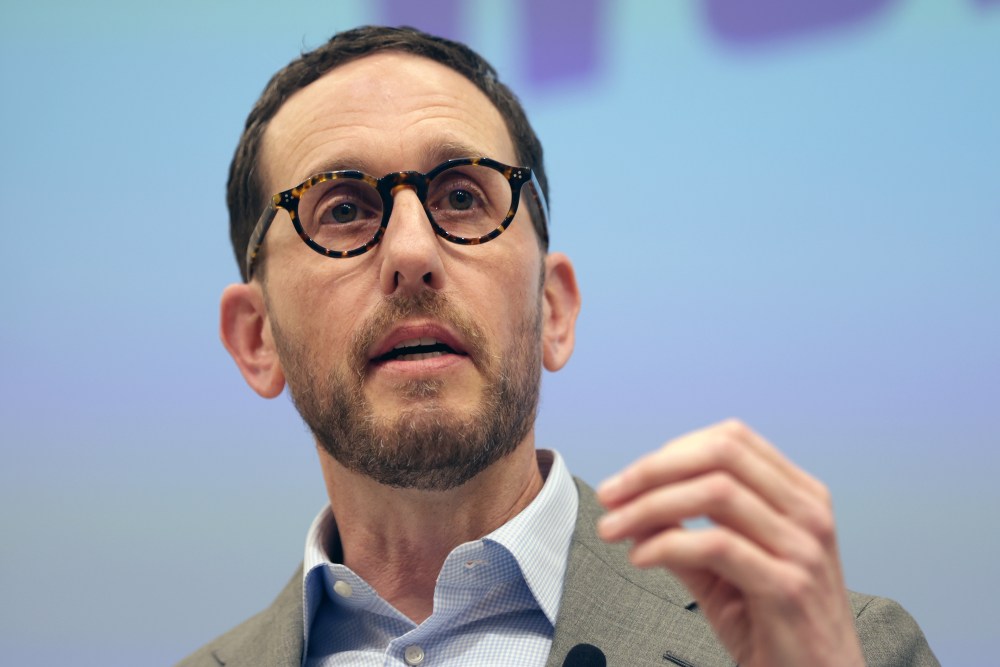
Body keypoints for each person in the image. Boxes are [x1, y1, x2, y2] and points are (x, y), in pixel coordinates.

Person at [177, 25, 938, 667]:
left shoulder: (835, 650)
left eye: (462, 197)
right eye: (343, 209)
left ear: (553, 308)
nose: (412, 252)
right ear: (256, 338)